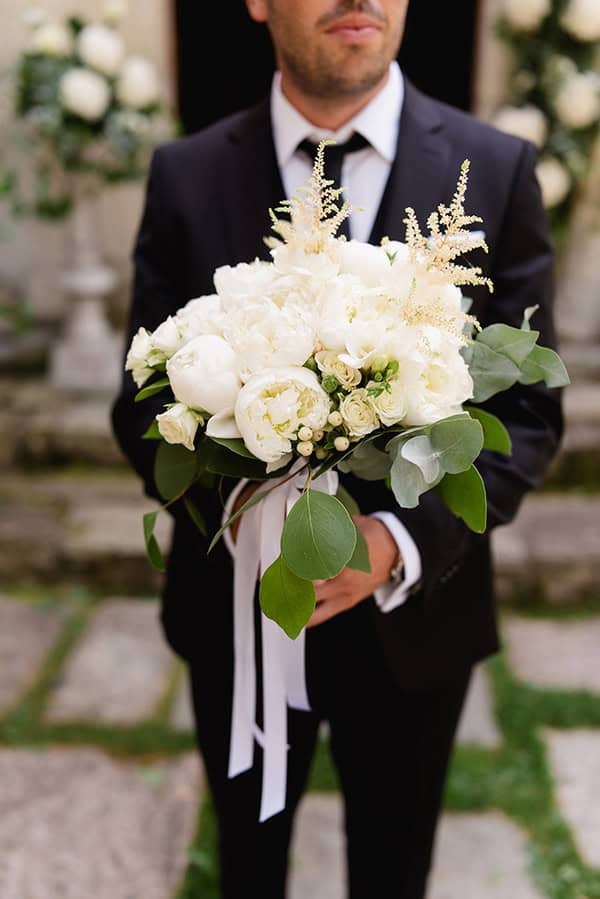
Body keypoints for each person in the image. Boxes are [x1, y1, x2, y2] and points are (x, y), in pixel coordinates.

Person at [110, 1, 564, 896]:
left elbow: (530, 413)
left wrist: (398, 541)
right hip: (236, 610)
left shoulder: (497, 169)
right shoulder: (187, 174)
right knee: (247, 867)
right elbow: (139, 401)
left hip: (415, 619)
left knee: (395, 872)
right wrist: (236, 510)